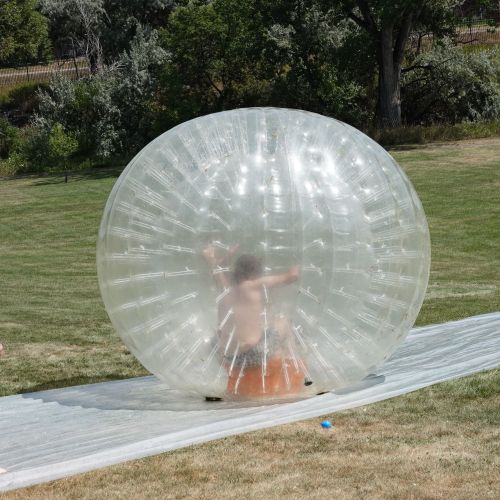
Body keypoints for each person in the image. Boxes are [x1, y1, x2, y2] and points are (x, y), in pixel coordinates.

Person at [202, 244, 306, 398]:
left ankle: (244, 380)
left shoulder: (225, 288)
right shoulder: (254, 285)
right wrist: (300, 261)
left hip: (229, 359)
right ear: (255, 273)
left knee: (220, 335)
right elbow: (291, 277)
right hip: (254, 354)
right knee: (284, 323)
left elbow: (217, 270)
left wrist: (212, 258)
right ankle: (294, 371)